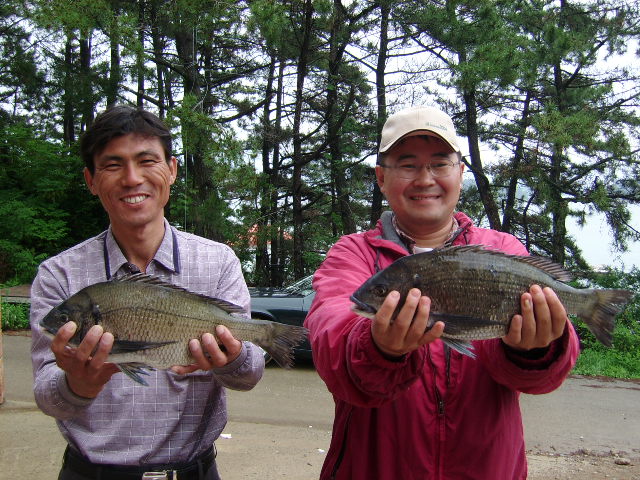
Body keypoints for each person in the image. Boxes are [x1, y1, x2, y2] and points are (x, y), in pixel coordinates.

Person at [304, 105, 580, 480]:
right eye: (408, 165)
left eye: (439, 164)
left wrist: (535, 349)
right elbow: (332, 340)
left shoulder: (503, 249)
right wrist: (378, 347)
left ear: (460, 172)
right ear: (382, 177)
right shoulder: (352, 254)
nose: (425, 179)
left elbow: (538, 378)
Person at [30, 105, 265, 480]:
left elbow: (248, 376)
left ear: (171, 170)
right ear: (91, 180)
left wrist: (232, 358)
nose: (132, 178)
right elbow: (47, 396)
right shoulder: (59, 274)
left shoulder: (218, 262)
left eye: (146, 160)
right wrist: (77, 384)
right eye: (113, 165)